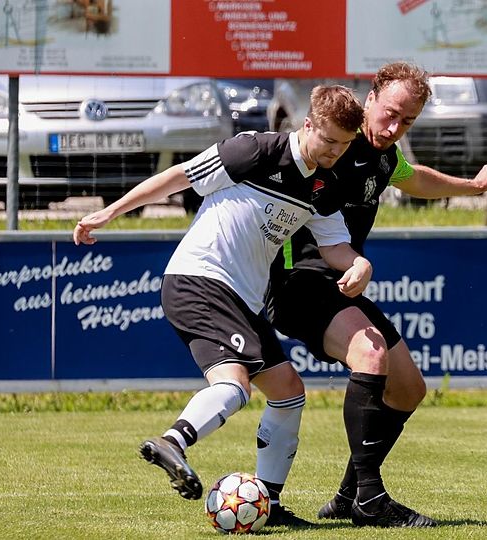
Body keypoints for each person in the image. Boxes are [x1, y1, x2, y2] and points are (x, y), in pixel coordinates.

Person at [73, 85, 368, 528]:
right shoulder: (256, 150)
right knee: (234, 385)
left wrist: (359, 264)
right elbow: (179, 177)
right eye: (328, 140)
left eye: (344, 145)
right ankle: (173, 442)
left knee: (288, 391)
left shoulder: (326, 184)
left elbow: (334, 246)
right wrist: (109, 212)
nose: (334, 151)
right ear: (307, 124)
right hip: (201, 278)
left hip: (241, 299)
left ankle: (268, 504)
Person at [266, 61, 487, 528]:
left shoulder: (383, 156)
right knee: (370, 355)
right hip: (298, 284)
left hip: (341, 285)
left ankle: (348, 496)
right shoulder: (330, 143)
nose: (395, 128)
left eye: (408, 121)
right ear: (370, 98)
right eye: (391, 114)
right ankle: (370, 498)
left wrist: (473, 187)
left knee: (408, 388)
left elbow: (414, 178)